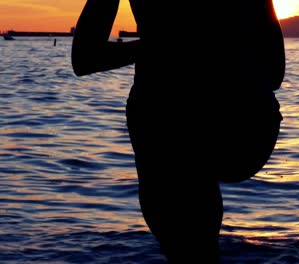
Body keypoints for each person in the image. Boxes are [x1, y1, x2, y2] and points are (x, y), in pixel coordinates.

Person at [71, 0, 285, 263]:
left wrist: (161, 46)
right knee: (196, 238)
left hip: (170, 120)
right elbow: (274, 71)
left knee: (187, 242)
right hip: (238, 122)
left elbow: (85, 57)